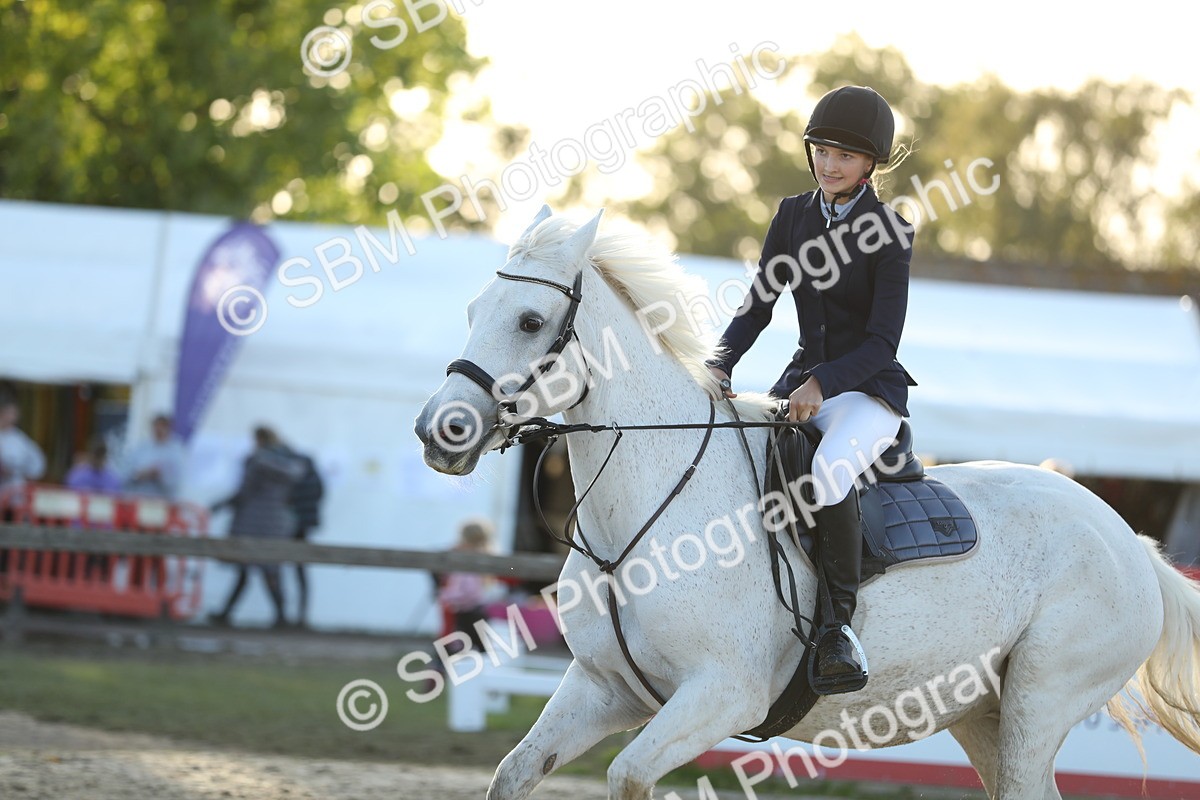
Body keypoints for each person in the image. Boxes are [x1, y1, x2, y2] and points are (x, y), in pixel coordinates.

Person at [707, 85, 915, 694]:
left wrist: (822, 383)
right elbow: (758, 305)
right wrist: (719, 364)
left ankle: (837, 629)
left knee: (827, 471)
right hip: (803, 380)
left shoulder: (891, 233)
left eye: (844, 156)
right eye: (822, 151)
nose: (829, 164)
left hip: (867, 391)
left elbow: (882, 343)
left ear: (870, 163)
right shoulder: (793, 215)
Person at [208, 426, 305, 628]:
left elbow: (244, 493)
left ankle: (226, 614)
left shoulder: (256, 462)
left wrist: (219, 506)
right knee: (271, 571)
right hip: (276, 524)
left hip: (251, 523)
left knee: (244, 571)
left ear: (259, 440)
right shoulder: (290, 465)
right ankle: (280, 616)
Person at [436, 517, 497, 653]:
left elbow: (466, 591)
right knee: (474, 644)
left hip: (460, 608)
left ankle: (441, 661)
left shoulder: (465, 561)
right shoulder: (481, 558)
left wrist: (446, 595)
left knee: (452, 641)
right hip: (470, 608)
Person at [286, 447, 324, 627]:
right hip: (303, 526)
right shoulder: (313, 477)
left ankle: (295, 614)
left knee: (295, 570)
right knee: (300, 571)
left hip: (294, 526)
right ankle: (300, 614)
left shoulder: (297, 476)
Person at [122, 413, 186, 499]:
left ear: (169, 429)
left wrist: (160, 476)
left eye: (162, 426)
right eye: (156, 426)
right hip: (140, 499)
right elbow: (125, 474)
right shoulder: (142, 447)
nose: (158, 429)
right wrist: (139, 475)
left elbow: (177, 481)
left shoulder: (176, 450)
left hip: (163, 502)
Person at [0, 393, 46, 503]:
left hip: (14, 493)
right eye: (8, 413)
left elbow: (37, 464)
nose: (12, 417)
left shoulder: (19, 439)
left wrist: (23, 474)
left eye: (14, 413)